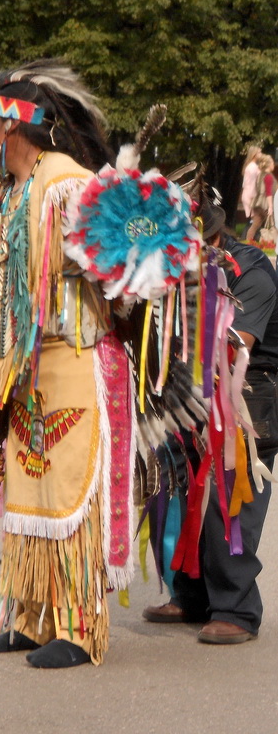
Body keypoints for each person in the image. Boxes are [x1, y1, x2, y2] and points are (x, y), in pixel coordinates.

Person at [0, 60, 129, 669]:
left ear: (15, 128)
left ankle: (79, 626)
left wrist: (99, 254)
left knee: (69, 497)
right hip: (27, 369)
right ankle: (27, 615)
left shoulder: (68, 184)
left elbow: (120, 274)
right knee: (28, 493)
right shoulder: (9, 192)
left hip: (77, 360)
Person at [143, 198, 278, 644]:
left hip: (249, 393)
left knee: (227, 498)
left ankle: (237, 610)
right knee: (180, 488)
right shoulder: (176, 269)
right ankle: (191, 595)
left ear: (213, 239)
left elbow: (237, 345)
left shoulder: (251, 272)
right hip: (193, 383)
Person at [246, 153, 276, 242]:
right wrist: (270, 207)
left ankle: (248, 243)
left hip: (257, 203)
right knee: (273, 224)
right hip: (265, 204)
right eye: (272, 163)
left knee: (255, 225)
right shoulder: (269, 177)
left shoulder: (260, 175)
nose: (273, 165)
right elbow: (268, 193)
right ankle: (272, 243)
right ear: (269, 164)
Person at [240, 144, 261, 221]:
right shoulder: (252, 167)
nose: (261, 154)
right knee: (255, 222)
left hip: (248, 195)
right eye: (259, 152)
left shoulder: (252, 166)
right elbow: (253, 185)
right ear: (254, 154)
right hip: (250, 196)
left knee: (254, 222)